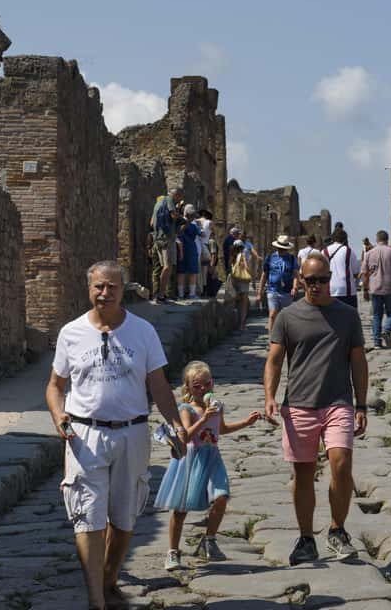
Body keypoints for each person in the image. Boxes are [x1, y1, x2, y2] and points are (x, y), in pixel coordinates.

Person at [45, 261, 187, 608]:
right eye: (98, 287)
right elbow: (54, 386)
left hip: (132, 432)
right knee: (87, 517)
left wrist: (175, 425)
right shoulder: (71, 333)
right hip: (84, 436)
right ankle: (96, 597)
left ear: (123, 290)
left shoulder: (143, 332)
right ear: (89, 289)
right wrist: (57, 413)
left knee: (123, 521)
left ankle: (108, 578)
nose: (104, 293)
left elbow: (159, 385)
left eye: (112, 287)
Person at [264, 254, 368, 565]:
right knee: (304, 473)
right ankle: (306, 537)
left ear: (330, 279)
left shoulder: (347, 316)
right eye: (311, 281)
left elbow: (359, 362)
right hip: (299, 404)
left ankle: (337, 530)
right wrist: (270, 395)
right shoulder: (287, 317)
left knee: (341, 462)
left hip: (338, 401)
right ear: (301, 280)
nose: (317, 286)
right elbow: (274, 360)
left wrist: (361, 403)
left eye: (323, 280)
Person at [156, 361, 262, 570]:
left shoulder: (217, 406)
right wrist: (204, 418)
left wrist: (245, 423)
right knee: (181, 509)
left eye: (207, 384)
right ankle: (173, 552)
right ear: (188, 388)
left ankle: (209, 540)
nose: (203, 389)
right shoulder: (186, 409)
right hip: (191, 459)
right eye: (197, 386)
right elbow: (185, 436)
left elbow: (220, 429)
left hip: (212, 456)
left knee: (222, 497)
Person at [361, 230, 391, 349]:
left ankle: (376, 342)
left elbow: (364, 273)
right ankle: (387, 330)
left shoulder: (369, 254)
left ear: (377, 239)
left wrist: (365, 289)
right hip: (390, 287)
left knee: (376, 315)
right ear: (387, 239)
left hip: (375, 287)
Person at [259, 235, 299, 332]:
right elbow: (264, 275)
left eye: (283, 249)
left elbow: (295, 274)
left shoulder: (292, 259)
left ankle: (285, 339)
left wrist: (295, 287)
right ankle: (271, 340)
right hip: (272, 290)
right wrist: (259, 292)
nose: (282, 250)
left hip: (287, 291)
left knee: (287, 317)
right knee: (272, 314)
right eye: (280, 248)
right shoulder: (270, 258)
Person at [150, 189, 182, 302]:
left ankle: (158, 294)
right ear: (176, 195)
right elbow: (173, 215)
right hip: (167, 238)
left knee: (161, 267)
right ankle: (161, 295)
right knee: (167, 267)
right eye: (179, 197)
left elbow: (152, 223)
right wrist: (178, 210)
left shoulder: (158, 203)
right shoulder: (169, 200)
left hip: (157, 239)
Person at [324, 228, 361, 307]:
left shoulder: (324, 251)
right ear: (345, 239)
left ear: (332, 239)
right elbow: (355, 272)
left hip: (330, 289)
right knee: (349, 317)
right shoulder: (349, 251)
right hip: (347, 290)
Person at [176, 205, 201, 299]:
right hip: (190, 250)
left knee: (181, 273)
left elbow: (178, 233)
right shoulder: (193, 225)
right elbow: (202, 234)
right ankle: (191, 294)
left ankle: (181, 294)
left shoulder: (180, 223)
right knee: (192, 273)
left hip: (182, 250)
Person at [228, 240, 252, 330]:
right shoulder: (242, 255)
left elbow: (229, 267)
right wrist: (251, 276)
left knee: (235, 301)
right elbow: (246, 267)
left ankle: (233, 323)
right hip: (243, 280)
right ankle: (242, 325)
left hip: (234, 279)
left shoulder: (232, 255)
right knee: (243, 304)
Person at [197, 209, 214, 293]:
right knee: (204, 269)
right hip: (205, 245)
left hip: (196, 245)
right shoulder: (210, 222)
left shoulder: (196, 221)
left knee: (197, 269)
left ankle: (197, 288)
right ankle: (204, 289)